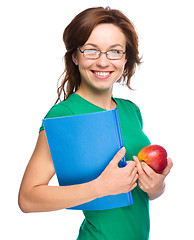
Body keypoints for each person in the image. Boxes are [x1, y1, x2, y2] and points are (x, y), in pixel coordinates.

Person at [18, 6, 173, 240]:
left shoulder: (131, 111)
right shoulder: (64, 114)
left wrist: (156, 187)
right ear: (75, 55)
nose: (103, 62)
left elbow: (141, 194)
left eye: (114, 51)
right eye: (91, 51)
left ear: (125, 58)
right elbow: (28, 199)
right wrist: (99, 187)